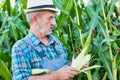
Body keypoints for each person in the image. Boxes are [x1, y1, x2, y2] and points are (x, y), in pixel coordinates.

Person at [12, 0, 80, 80]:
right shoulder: (21, 47)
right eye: (49, 18)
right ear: (35, 20)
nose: (54, 23)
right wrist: (57, 76)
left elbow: (64, 68)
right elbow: (21, 78)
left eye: (54, 18)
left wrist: (76, 65)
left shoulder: (57, 42)